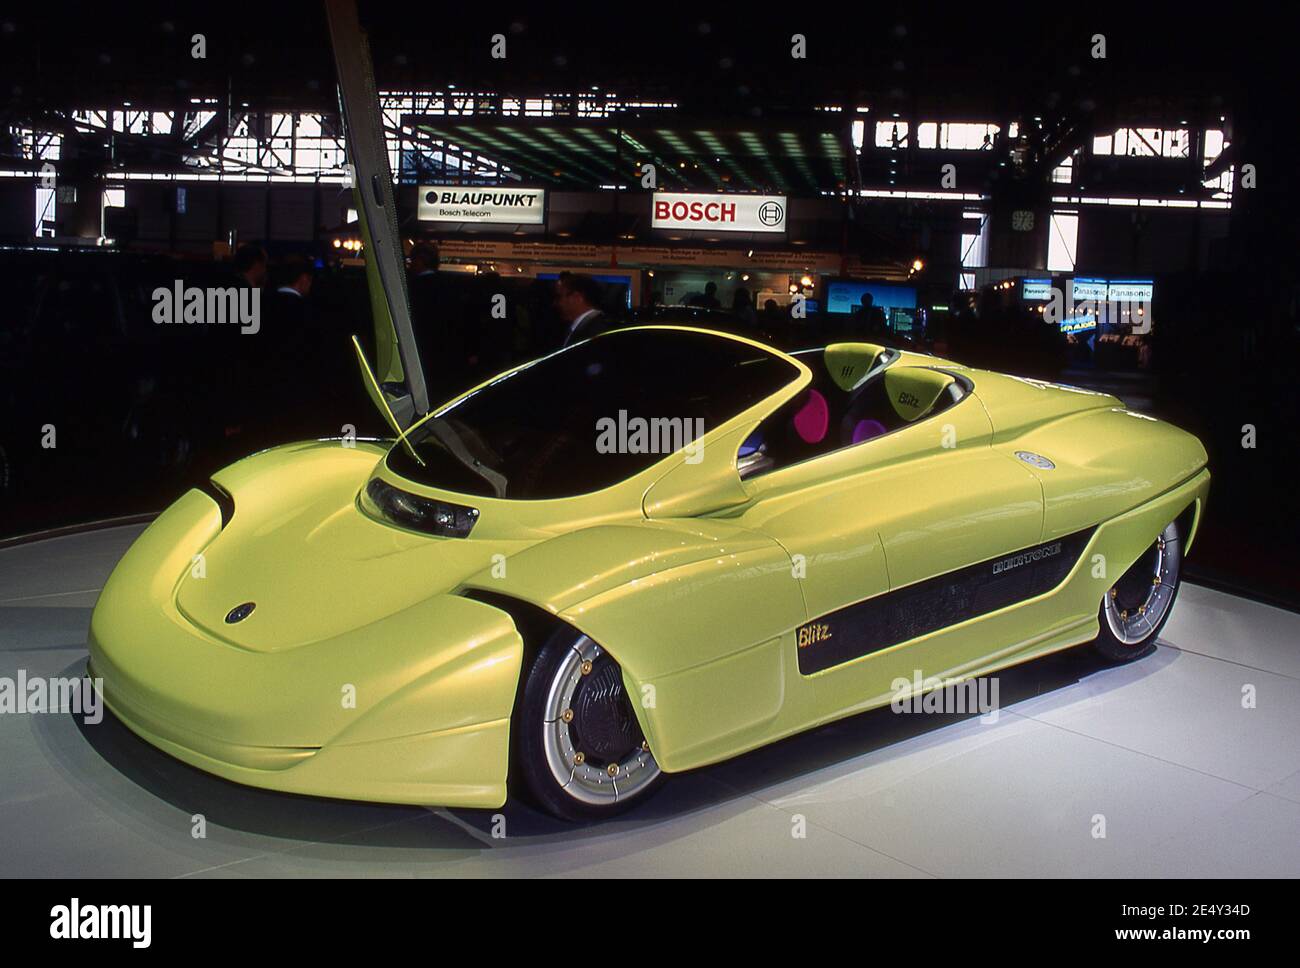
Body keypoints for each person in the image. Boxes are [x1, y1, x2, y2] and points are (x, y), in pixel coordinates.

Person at [554, 272, 610, 348]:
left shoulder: (596, 330)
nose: (556, 303)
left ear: (577, 297)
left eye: (559, 297)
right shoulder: (591, 325)